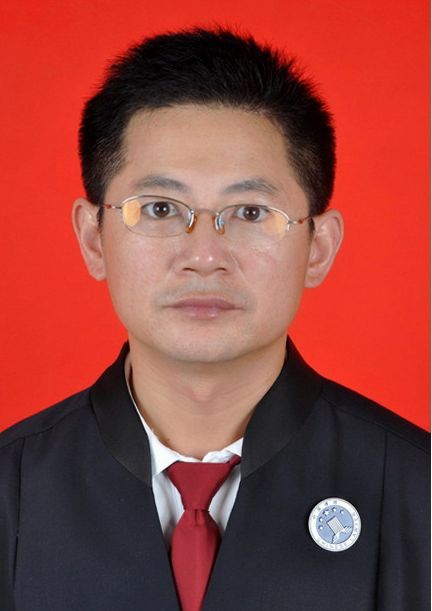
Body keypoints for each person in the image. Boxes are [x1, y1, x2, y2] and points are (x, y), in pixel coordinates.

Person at [0, 27, 429, 611]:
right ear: (93, 238)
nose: (203, 256)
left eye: (250, 212)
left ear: (319, 247)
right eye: (159, 208)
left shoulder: (418, 491)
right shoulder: (11, 490)